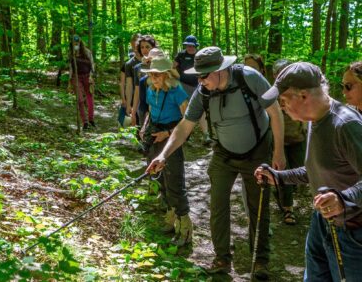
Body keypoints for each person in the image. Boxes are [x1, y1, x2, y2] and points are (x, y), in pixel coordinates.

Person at [147, 46, 285, 278]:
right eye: (198, 75)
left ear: (221, 70)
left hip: (257, 150)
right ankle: (221, 258)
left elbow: (275, 112)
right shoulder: (202, 92)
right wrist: (164, 155)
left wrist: (278, 152)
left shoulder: (250, 78)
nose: (200, 80)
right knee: (218, 205)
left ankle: (260, 260)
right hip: (223, 153)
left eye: (204, 75)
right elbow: (184, 126)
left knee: (258, 207)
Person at [255, 62, 362, 281]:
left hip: (352, 232)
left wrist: (343, 198)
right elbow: (317, 168)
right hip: (322, 222)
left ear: (303, 96)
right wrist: (280, 178)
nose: (282, 108)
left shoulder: (346, 125)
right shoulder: (314, 120)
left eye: (284, 101)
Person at [140, 56, 192, 247]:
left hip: (173, 133)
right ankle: (171, 215)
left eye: (158, 74)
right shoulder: (150, 89)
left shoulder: (176, 90)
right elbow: (149, 110)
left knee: (175, 179)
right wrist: (145, 127)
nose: (154, 78)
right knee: (157, 175)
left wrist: (169, 133)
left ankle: (184, 228)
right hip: (154, 132)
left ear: (167, 74)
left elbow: (188, 119)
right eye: (152, 74)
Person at [272, 59, 307, 225]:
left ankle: (281, 191)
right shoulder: (272, 93)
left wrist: (305, 129)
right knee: (285, 171)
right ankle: (288, 209)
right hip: (280, 140)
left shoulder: (300, 90)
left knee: (299, 170)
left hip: (298, 138)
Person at [174, 35, 211, 145]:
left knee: (202, 109)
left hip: (198, 85)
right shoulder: (181, 55)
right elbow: (173, 66)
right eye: (187, 45)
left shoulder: (199, 55)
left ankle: (206, 135)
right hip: (183, 85)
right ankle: (186, 136)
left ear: (195, 46)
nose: (189, 47)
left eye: (191, 45)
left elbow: (205, 69)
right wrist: (176, 78)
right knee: (185, 110)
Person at [69, 35, 95, 130]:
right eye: (74, 43)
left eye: (77, 43)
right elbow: (71, 68)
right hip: (76, 78)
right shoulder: (72, 54)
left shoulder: (87, 52)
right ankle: (85, 122)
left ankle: (91, 119)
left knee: (89, 97)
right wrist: (69, 82)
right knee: (79, 99)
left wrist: (91, 76)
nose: (76, 45)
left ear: (80, 43)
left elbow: (92, 65)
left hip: (87, 76)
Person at [131, 35, 158, 126]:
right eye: (142, 47)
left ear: (153, 48)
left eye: (147, 47)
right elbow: (137, 90)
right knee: (144, 134)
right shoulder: (137, 68)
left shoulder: (160, 66)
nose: (144, 50)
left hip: (158, 106)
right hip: (143, 107)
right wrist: (133, 112)